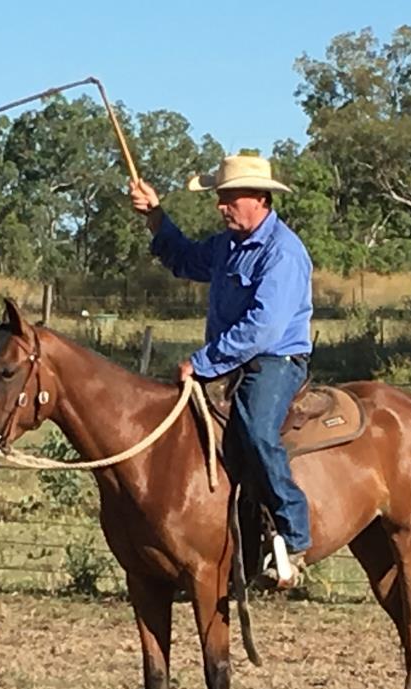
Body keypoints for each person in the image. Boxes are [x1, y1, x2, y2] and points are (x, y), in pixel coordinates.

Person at [129, 155, 314, 588]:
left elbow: (264, 328)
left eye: (230, 198)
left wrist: (203, 362)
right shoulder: (226, 246)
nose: (221, 206)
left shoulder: (283, 252)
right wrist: (155, 215)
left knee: (256, 429)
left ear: (260, 199)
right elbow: (184, 258)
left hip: (275, 360)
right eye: (220, 197)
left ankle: (293, 533)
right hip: (231, 359)